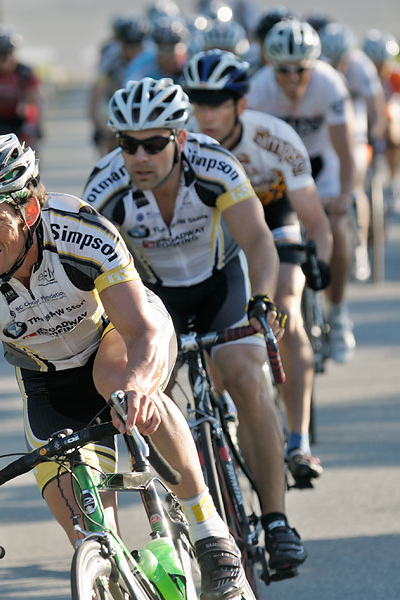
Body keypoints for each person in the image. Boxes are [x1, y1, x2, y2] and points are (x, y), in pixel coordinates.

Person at [0, 133, 249, 600]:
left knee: (117, 381)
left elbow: (143, 331)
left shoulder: (81, 231)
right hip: (47, 383)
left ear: (30, 212)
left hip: (120, 336)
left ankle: (210, 532)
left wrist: (140, 385)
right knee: (92, 537)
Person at [82, 77, 308, 573]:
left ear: (180, 139)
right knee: (131, 393)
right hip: (151, 296)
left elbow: (258, 242)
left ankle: (275, 520)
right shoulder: (106, 186)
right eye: (127, 143)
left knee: (246, 375)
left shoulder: (213, 165)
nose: (139, 156)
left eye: (153, 144)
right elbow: (89, 276)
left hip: (217, 285)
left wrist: (264, 300)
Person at [182, 49, 332, 484]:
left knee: (284, 304)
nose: (205, 115)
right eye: (199, 103)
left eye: (217, 104)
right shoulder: (181, 142)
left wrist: (318, 259)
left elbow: (316, 219)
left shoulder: (275, 138)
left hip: (274, 218)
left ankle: (299, 440)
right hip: (216, 232)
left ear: (240, 105)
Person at [246, 18, 356, 364]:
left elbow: (346, 149)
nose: (293, 78)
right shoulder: (259, 89)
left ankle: (337, 313)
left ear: (314, 65)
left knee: (335, 225)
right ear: (270, 65)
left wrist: (344, 196)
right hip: (277, 177)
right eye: (284, 70)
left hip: (320, 166)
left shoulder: (329, 83)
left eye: (301, 69)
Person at [319, 22, 387, 282]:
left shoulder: (361, 66)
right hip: (328, 132)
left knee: (355, 178)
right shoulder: (321, 69)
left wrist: (375, 135)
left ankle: (358, 247)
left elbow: (376, 109)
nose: (339, 65)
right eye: (333, 60)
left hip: (356, 130)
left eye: (343, 59)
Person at [89, 15, 151, 156]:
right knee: (110, 137)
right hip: (115, 102)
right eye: (128, 45)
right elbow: (97, 91)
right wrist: (97, 125)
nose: (132, 51)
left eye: (136, 45)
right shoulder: (110, 56)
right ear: (120, 42)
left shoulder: (150, 56)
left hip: (144, 105)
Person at [362, 29, 400, 211]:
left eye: (383, 63)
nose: (379, 68)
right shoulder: (360, 75)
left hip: (386, 118)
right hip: (365, 118)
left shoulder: (394, 78)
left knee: (391, 126)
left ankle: (392, 182)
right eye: (375, 63)